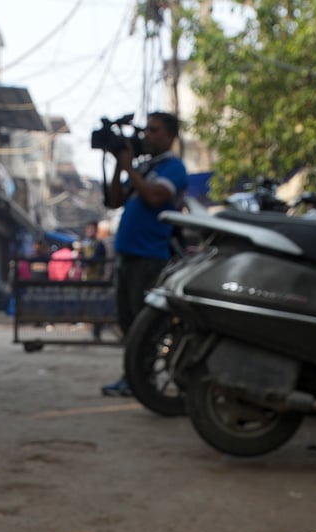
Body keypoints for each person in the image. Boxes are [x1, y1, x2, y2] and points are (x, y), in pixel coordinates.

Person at [101, 111, 187, 396]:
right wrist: (118, 166)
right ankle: (133, 378)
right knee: (128, 323)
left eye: (154, 131)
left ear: (170, 136)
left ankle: (144, 380)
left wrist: (129, 169)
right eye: (146, 130)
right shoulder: (146, 167)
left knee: (143, 324)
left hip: (149, 255)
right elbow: (115, 200)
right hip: (127, 256)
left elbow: (154, 197)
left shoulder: (174, 168)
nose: (147, 136)